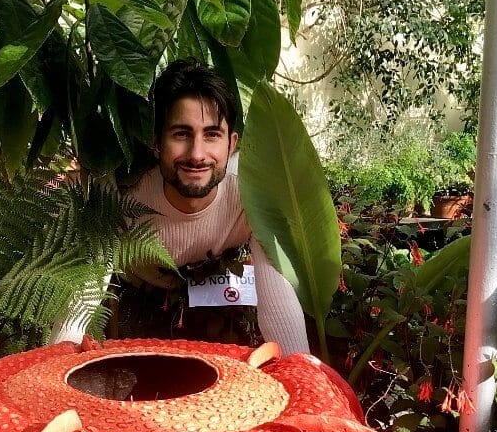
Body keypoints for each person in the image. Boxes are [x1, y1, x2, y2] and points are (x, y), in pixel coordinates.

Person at [51, 59, 310, 355]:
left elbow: (279, 301)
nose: (197, 154)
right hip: (135, 295)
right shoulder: (121, 191)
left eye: (212, 134)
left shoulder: (253, 190)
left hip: (217, 294)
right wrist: (54, 370)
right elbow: (82, 296)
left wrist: (306, 381)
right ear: (157, 143)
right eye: (181, 134)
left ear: (232, 144)